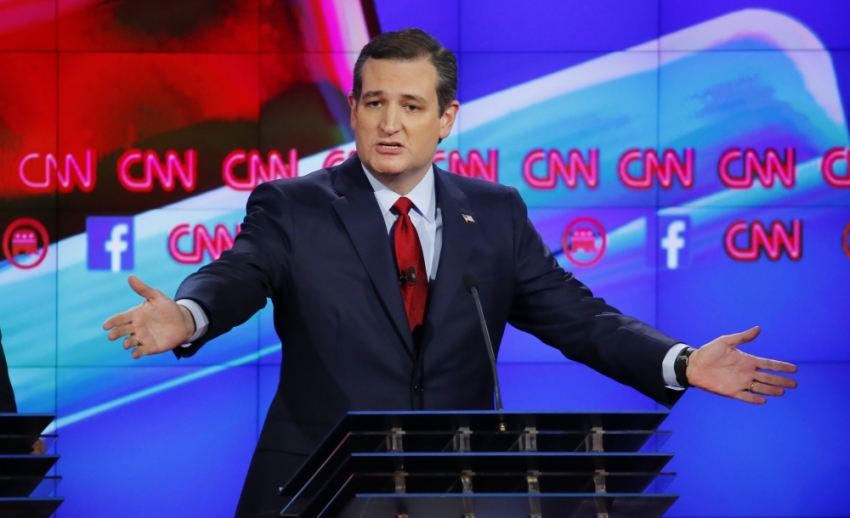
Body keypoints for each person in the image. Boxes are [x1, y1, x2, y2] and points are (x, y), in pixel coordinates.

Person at [104, 29, 798, 518]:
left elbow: (575, 315)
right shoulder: (295, 205)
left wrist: (677, 362)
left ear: (447, 119)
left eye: (411, 106)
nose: (390, 123)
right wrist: (190, 315)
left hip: (458, 488)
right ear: (352, 111)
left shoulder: (493, 213)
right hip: (315, 488)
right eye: (374, 102)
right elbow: (238, 273)